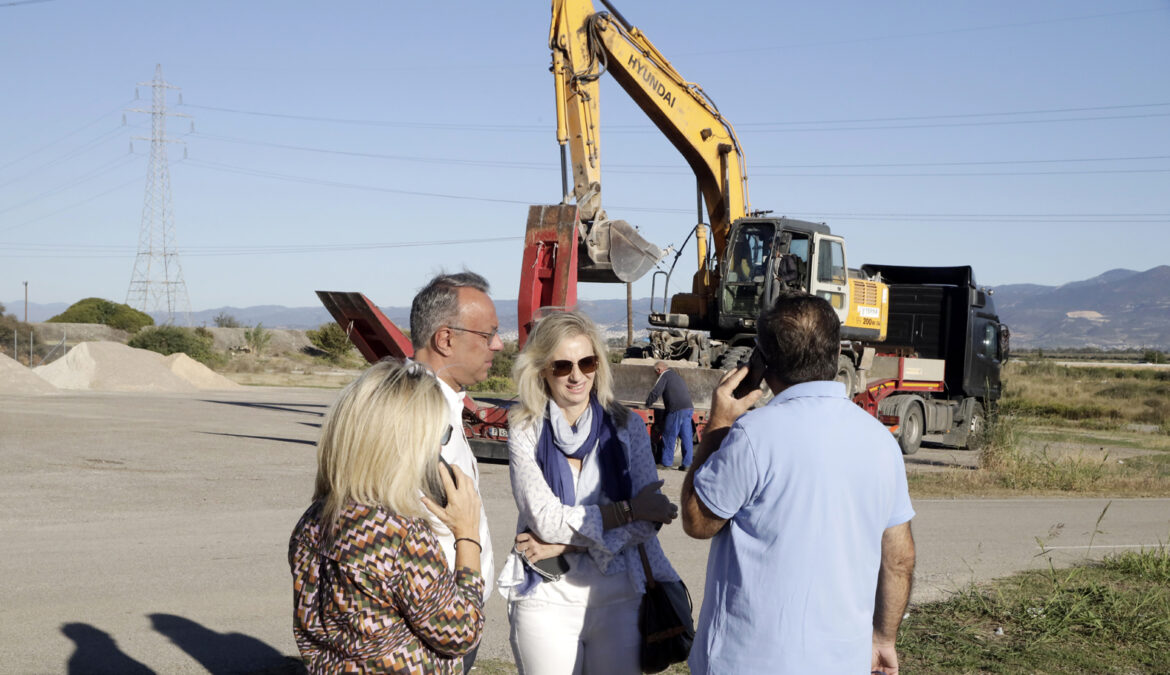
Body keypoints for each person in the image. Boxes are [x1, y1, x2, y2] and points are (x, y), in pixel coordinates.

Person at [680, 294, 916, 674]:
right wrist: (883, 639)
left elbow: (697, 520)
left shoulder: (752, 436)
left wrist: (717, 428)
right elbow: (899, 559)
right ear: (836, 350)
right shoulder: (881, 442)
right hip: (842, 663)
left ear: (762, 361)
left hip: (748, 662)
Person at [497, 310, 681, 675]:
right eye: (563, 365)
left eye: (587, 361)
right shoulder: (525, 428)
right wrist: (628, 511)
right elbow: (545, 521)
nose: (578, 375)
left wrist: (567, 544)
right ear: (542, 369)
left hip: (621, 598)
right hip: (546, 597)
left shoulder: (628, 426)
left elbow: (650, 522)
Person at [288, 359, 486, 673]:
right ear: (407, 444)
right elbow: (460, 633)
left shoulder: (313, 519)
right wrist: (468, 534)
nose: (439, 448)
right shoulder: (399, 535)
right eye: (439, 435)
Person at [409, 271, 501, 672]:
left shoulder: (441, 403)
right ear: (445, 339)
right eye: (488, 335)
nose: (498, 345)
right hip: (433, 627)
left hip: (453, 613)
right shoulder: (414, 412)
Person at [644, 360, 695, 470]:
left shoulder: (664, 375)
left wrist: (647, 404)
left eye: (655, 373)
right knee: (686, 437)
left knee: (669, 435)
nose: (656, 375)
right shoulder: (677, 376)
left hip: (676, 409)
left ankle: (666, 463)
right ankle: (687, 464)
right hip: (688, 408)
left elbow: (656, 392)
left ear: (659, 370)